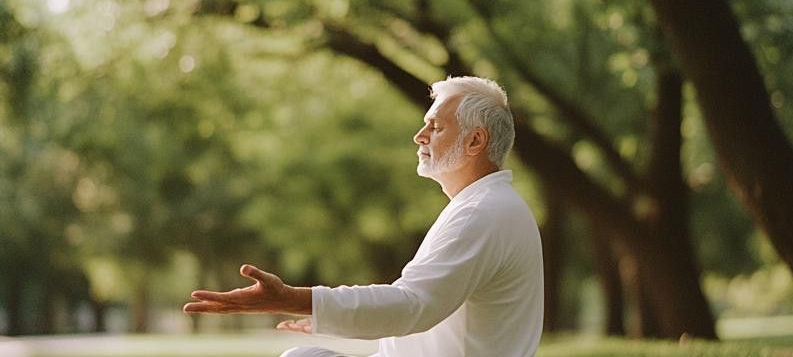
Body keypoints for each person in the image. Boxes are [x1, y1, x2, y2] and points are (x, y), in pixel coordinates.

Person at [183, 76, 544, 357]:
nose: (419, 136)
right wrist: (334, 317)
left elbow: (412, 305)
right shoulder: (487, 205)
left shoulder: (481, 213)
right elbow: (427, 308)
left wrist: (291, 298)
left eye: (435, 127)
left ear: (475, 142)